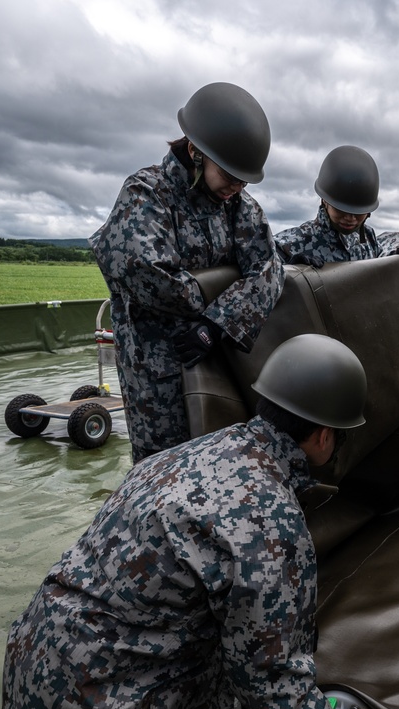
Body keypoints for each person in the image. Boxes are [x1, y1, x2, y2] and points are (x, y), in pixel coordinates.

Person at [1, 333, 367, 709]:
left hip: (31, 698)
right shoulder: (270, 517)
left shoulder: (176, 459)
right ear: (324, 435)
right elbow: (269, 680)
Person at [90, 82, 284, 464]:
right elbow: (145, 271)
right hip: (156, 376)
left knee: (222, 467)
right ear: (195, 151)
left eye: (244, 179)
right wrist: (217, 299)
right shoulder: (147, 193)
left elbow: (269, 269)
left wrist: (216, 324)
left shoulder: (240, 208)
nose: (237, 186)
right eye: (230, 174)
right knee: (160, 471)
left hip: (218, 360)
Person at [275, 145, 399, 267]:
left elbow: (386, 244)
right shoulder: (291, 244)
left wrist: (393, 255)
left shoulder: (367, 238)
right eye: (341, 209)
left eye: (358, 212)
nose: (350, 218)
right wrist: (286, 269)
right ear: (325, 201)